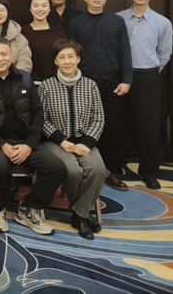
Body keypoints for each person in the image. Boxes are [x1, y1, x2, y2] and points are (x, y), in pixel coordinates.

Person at [0, 37, 66, 235]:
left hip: (23, 140)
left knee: (56, 168)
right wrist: (2, 145)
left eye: (4, 54)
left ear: (11, 55)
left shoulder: (25, 78)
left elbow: (38, 114)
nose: (0, 59)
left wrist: (29, 145)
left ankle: (28, 208)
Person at [67, 0, 133, 191]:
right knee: (85, 126)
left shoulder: (117, 22)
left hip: (112, 82)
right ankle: (87, 170)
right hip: (84, 83)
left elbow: (125, 51)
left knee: (111, 127)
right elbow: (70, 55)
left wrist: (127, 80)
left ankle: (112, 171)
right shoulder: (75, 23)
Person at [40, 39, 107, 240]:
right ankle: (84, 216)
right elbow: (41, 119)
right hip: (56, 142)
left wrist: (87, 143)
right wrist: (62, 140)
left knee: (98, 169)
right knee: (73, 171)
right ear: (55, 61)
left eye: (71, 56)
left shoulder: (90, 85)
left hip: (85, 140)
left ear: (78, 59)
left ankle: (79, 215)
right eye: (62, 57)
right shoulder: (46, 86)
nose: (67, 61)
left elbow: (99, 118)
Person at [117, 0, 172, 189]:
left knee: (150, 126)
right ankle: (114, 169)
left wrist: (149, 71)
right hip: (120, 76)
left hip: (148, 77)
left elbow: (164, 54)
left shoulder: (162, 23)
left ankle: (149, 172)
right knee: (117, 123)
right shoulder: (118, 19)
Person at [22, 0, 67, 82]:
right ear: (30, 9)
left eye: (44, 5)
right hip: (31, 81)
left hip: (57, 81)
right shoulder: (22, 32)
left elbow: (64, 55)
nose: (40, 9)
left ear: (50, 9)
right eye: (36, 5)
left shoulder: (59, 30)